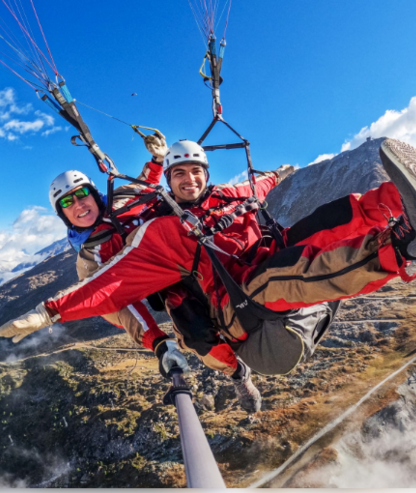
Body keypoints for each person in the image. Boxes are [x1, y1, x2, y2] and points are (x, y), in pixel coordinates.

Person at [0, 93, 416, 378]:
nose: (188, 181)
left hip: (266, 273)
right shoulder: (163, 232)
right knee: (276, 278)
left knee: (323, 221)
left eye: (194, 172)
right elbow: (113, 287)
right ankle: (411, 246)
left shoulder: (222, 195)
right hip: (242, 312)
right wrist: (49, 311)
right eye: (177, 175)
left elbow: (258, 183)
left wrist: (280, 172)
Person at [48, 133, 262, 410]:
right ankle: (238, 374)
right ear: (62, 214)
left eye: (81, 194)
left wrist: (158, 159)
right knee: (197, 334)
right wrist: (157, 341)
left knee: (242, 280)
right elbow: (115, 304)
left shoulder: (120, 201)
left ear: (93, 194)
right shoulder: (90, 258)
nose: (78, 204)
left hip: (190, 247)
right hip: (167, 281)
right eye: (67, 202)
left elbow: (145, 183)